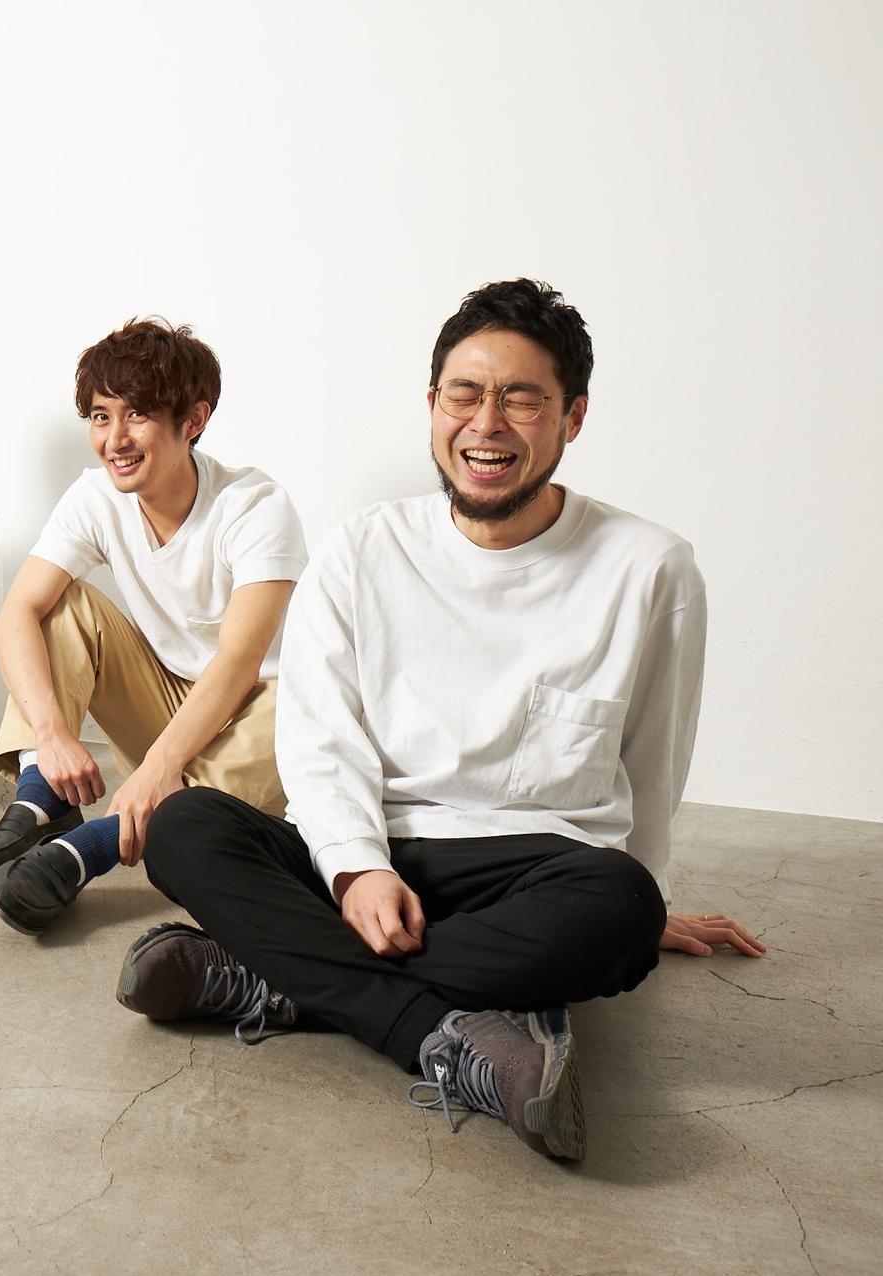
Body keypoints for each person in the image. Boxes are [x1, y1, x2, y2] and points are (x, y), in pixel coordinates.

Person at [122, 279, 763, 1161]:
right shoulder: (361, 549)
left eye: (522, 399)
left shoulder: (651, 570)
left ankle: (273, 975)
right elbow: (321, 741)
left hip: (533, 871)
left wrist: (647, 895)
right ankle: (437, 1033)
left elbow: (655, 762)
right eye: (465, 395)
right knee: (186, 825)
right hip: (374, 849)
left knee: (619, 907)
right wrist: (356, 870)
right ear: (432, 405)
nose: (486, 424)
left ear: (573, 417)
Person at [0, 319, 306, 935]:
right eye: (99, 416)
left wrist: (159, 768)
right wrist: (54, 736)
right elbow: (16, 615)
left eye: (137, 414)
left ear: (193, 420)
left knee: (302, 694)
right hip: (168, 703)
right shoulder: (97, 497)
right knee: (59, 605)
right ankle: (41, 800)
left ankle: (88, 849)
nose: (115, 439)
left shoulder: (254, 507)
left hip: (259, 725)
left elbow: (238, 664)